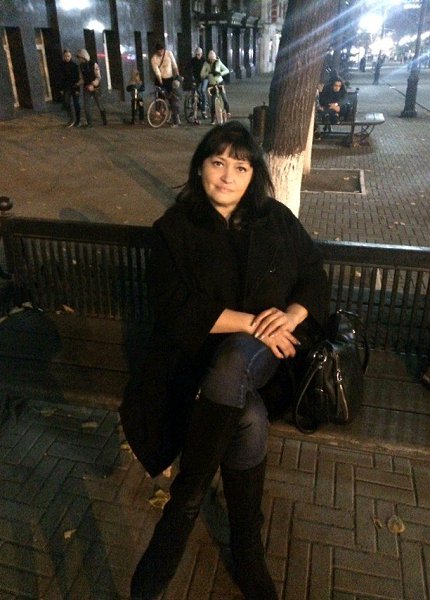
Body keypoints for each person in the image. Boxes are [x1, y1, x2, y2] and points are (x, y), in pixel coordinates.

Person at [120, 121, 328, 600]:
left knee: (236, 361)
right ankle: (247, 546)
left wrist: (290, 316)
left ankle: (182, 507)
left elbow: (314, 274)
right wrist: (253, 323)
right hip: (194, 360)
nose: (228, 176)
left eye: (241, 167)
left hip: (270, 359)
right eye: (218, 163)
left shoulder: (276, 219)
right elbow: (176, 308)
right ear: (200, 168)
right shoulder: (174, 230)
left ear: (254, 175)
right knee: (248, 418)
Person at [76, 48, 107, 127]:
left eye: (79, 57)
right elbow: (82, 78)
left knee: (99, 104)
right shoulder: (81, 66)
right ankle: (89, 123)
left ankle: (104, 119)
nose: (79, 59)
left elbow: (98, 77)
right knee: (86, 106)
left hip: (95, 87)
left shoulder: (93, 64)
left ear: (83, 56)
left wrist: (93, 84)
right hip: (86, 87)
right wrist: (77, 84)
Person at [200, 50, 231, 124]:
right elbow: (202, 74)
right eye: (210, 59)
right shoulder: (206, 64)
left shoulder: (218, 62)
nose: (212, 60)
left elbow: (226, 70)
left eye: (213, 59)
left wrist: (220, 73)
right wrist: (208, 73)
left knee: (224, 98)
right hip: (212, 84)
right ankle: (213, 119)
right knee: (213, 102)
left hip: (220, 83)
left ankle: (228, 112)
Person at [59, 49, 81, 128]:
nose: (67, 57)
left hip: (74, 87)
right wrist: (61, 88)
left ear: (71, 56)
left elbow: (78, 78)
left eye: (68, 56)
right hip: (66, 88)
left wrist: (77, 89)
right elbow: (60, 78)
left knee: (76, 104)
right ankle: (71, 119)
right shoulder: (61, 65)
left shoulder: (75, 65)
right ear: (63, 56)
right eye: (65, 56)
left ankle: (78, 121)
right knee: (66, 103)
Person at [185, 46, 208, 119]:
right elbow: (187, 67)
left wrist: (205, 75)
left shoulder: (204, 61)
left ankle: (203, 110)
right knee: (194, 92)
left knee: (202, 91)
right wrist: (188, 74)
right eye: (196, 54)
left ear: (201, 54)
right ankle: (193, 109)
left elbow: (208, 70)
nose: (198, 56)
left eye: (199, 54)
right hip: (196, 78)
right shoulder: (193, 60)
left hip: (204, 78)